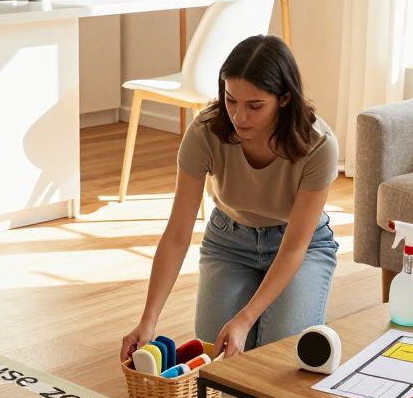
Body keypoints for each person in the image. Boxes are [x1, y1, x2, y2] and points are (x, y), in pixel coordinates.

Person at [120, 34, 339, 362]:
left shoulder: (319, 145)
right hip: (229, 242)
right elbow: (177, 235)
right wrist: (148, 320)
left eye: (255, 106)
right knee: (215, 354)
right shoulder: (205, 131)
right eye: (231, 100)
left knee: (278, 355)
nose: (239, 116)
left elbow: (294, 247)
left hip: (300, 247)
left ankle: (284, 314)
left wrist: (246, 318)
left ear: (284, 99)